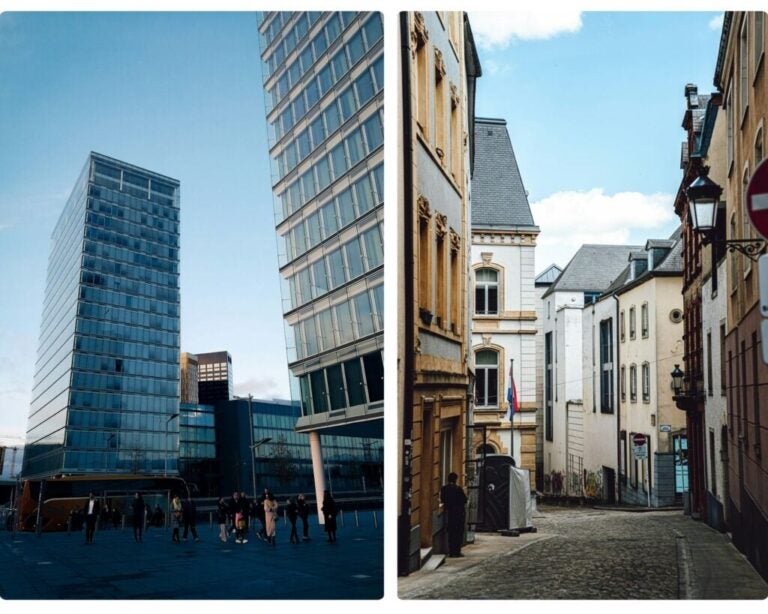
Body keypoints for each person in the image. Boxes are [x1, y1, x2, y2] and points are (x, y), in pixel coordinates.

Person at [440, 471, 468, 558]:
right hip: (458, 514)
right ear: (455, 479)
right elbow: (464, 500)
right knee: (458, 533)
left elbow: (442, 499)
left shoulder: (444, 489)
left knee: (451, 533)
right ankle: (457, 551)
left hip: (450, 514)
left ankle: (451, 552)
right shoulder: (458, 489)